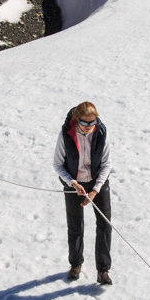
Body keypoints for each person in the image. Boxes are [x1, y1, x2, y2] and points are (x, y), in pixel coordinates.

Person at [53, 101, 112, 285]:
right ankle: (75, 264)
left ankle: (103, 270)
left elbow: (106, 164)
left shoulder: (101, 133)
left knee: (105, 224)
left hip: (97, 183)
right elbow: (58, 164)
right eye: (85, 123)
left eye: (92, 122)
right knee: (75, 225)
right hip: (74, 183)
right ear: (77, 120)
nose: (88, 127)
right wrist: (72, 183)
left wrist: (95, 189)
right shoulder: (65, 135)